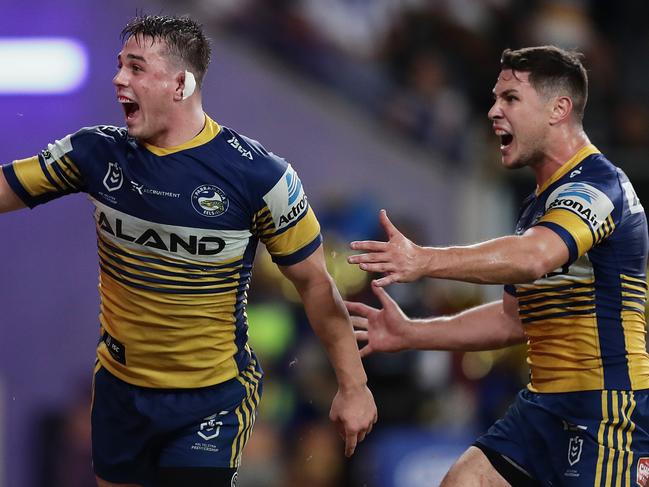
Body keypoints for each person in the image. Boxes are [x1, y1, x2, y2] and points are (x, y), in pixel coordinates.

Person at [0, 14, 377, 487]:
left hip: (211, 399)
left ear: (180, 83)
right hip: (121, 391)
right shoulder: (96, 153)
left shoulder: (261, 177)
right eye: (120, 65)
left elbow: (317, 286)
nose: (118, 78)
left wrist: (353, 385)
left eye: (136, 68)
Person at [346, 45, 649, 486]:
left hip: (606, 414)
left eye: (510, 98)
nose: (492, 111)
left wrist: (423, 259)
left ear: (558, 109)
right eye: (494, 98)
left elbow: (534, 258)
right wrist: (411, 333)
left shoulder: (601, 187)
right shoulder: (538, 207)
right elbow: (512, 321)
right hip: (544, 407)